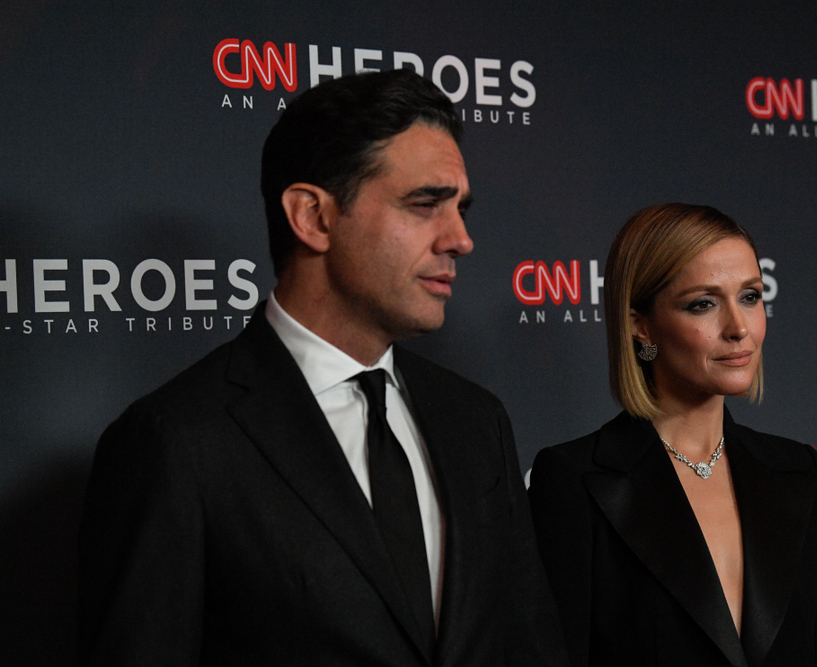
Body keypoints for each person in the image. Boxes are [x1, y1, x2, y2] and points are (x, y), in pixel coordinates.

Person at [79, 69, 566, 667]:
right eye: (425, 205)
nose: (461, 239)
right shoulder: (175, 441)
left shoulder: (476, 420)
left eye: (461, 208)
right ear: (312, 217)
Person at [528, 203, 817, 667]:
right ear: (640, 324)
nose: (739, 327)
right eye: (703, 304)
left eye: (750, 296)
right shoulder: (573, 480)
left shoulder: (801, 472)